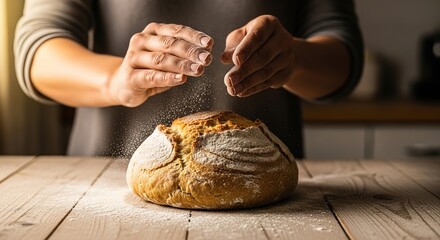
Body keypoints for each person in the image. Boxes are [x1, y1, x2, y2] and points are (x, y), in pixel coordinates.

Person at [14, 0, 363, 158]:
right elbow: (39, 51)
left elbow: (343, 61)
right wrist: (116, 80)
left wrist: (294, 59)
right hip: (103, 185)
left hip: (263, 189)